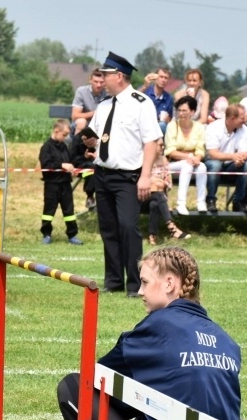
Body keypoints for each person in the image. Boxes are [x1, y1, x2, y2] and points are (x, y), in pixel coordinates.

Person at [57, 246, 241, 420]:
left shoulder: (160, 325)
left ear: (170, 284)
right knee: (159, 399)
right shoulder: (226, 339)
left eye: (144, 282)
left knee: (73, 390)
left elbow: (95, 378)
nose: (139, 291)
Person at [90, 51, 162, 298]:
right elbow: (96, 137)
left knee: (128, 227)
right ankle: (113, 281)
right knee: (108, 228)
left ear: (119, 76)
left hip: (128, 177)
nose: (102, 79)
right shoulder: (103, 106)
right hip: (102, 174)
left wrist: (145, 176)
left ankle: (135, 284)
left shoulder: (141, 103)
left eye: (106, 75)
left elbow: (151, 142)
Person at [39, 119, 81, 245]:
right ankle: (46, 234)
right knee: (49, 211)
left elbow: (69, 161)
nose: (65, 138)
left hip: (65, 184)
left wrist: (72, 168)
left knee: (69, 211)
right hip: (52, 184)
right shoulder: (46, 147)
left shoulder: (64, 147)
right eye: (64, 135)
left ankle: (72, 235)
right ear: (56, 131)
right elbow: (46, 165)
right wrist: (62, 165)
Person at [204, 104, 247, 213]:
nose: (244, 120)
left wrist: (241, 159)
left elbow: (245, 152)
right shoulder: (213, 127)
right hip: (213, 162)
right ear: (232, 118)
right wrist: (233, 156)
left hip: (232, 164)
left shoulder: (244, 129)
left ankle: (238, 201)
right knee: (216, 165)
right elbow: (213, 154)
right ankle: (211, 200)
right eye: (242, 118)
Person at [165, 95, 207, 215]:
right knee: (187, 165)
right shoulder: (172, 126)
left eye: (184, 110)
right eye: (179, 110)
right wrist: (190, 156)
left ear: (192, 112)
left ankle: (201, 202)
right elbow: (171, 151)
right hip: (171, 164)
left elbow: (200, 149)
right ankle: (181, 204)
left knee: (202, 167)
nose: (181, 113)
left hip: (191, 161)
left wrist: (197, 158)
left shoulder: (199, 127)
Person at [148, 138, 190, 245]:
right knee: (157, 194)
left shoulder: (164, 160)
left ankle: (153, 235)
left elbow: (168, 181)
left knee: (155, 203)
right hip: (143, 196)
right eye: (160, 145)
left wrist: (160, 183)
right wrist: (156, 182)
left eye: (163, 145)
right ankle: (171, 227)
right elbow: (144, 180)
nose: (163, 148)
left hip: (158, 196)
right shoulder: (144, 159)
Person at [69, 127, 99, 210]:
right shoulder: (76, 140)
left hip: (98, 163)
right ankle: (90, 197)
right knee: (92, 169)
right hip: (80, 165)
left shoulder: (99, 137)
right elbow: (72, 159)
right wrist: (84, 157)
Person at [71, 69, 107, 136]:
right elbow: (75, 116)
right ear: (90, 80)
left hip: (100, 124)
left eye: (101, 82)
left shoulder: (108, 93)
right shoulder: (81, 91)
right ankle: (77, 145)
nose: (98, 85)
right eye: (96, 82)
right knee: (81, 122)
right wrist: (96, 113)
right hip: (84, 124)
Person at [140, 67, 175, 133]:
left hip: (159, 129)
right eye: (161, 77)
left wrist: (168, 120)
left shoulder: (169, 98)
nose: (163, 80)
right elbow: (133, 99)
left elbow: (170, 118)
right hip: (143, 124)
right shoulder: (145, 90)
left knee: (162, 125)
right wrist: (144, 86)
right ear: (155, 78)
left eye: (166, 78)